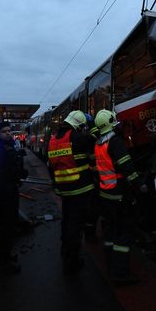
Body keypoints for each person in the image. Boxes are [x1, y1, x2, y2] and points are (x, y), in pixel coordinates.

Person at [93, 109, 148, 284]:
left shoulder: (99, 144)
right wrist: (140, 184)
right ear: (111, 123)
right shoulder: (115, 143)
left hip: (105, 195)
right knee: (124, 234)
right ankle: (120, 274)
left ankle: (110, 265)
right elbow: (127, 168)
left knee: (110, 232)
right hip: (119, 196)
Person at [47, 110, 96, 274]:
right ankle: (72, 260)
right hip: (80, 189)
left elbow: (50, 167)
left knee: (67, 220)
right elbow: (94, 142)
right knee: (76, 225)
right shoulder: (78, 138)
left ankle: (65, 249)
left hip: (63, 189)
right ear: (79, 125)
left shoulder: (53, 140)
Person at [0, 121, 27, 274]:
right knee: (2, 226)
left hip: (11, 191)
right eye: (4, 131)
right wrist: (15, 175)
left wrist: (19, 174)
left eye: (10, 131)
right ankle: (2, 261)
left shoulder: (10, 147)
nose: (8, 134)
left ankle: (7, 255)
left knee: (10, 225)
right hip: (2, 194)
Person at [83, 112, 101, 243]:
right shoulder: (97, 137)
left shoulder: (88, 137)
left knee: (92, 207)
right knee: (95, 207)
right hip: (98, 179)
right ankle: (90, 233)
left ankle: (89, 232)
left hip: (92, 178)